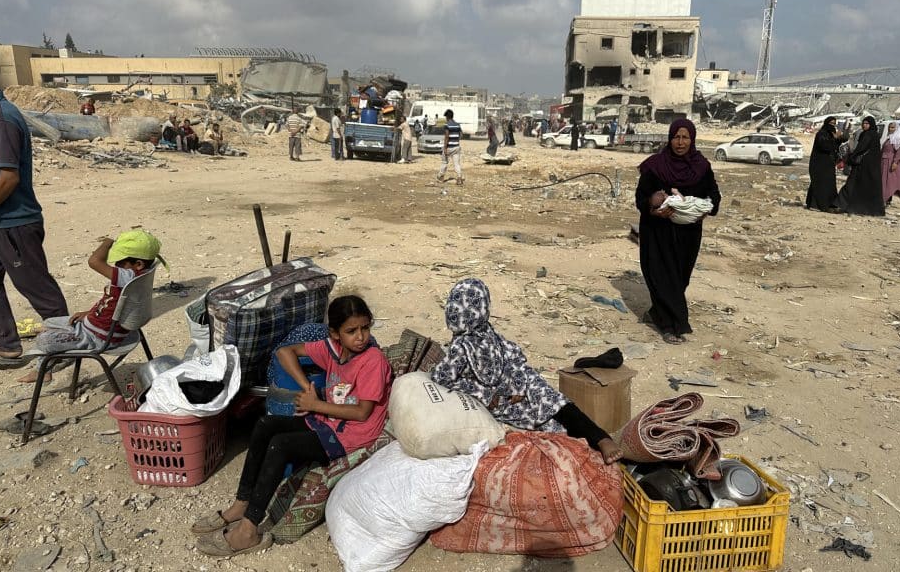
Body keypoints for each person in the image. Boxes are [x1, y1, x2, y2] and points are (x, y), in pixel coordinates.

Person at [191, 296, 391, 557]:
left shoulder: (372, 360)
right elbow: (284, 352)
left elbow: (363, 413)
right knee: (265, 424)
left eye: (365, 328)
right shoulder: (334, 350)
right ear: (336, 334)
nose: (361, 336)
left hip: (351, 435)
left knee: (281, 445)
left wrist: (316, 405)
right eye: (351, 331)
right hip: (327, 422)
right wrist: (308, 388)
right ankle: (241, 504)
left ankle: (249, 530)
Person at [432, 279, 623, 465]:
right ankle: (590, 444)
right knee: (548, 424)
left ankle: (601, 438)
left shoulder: (486, 331)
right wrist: (486, 394)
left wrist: (519, 384)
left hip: (516, 381)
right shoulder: (460, 348)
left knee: (552, 397)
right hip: (498, 398)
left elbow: (512, 354)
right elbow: (442, 378)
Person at [0, 46, 69, 371]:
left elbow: (8, 178)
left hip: (13, 221)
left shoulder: (2, 118)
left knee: (36, 286)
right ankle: (7, 346)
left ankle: (62, 350)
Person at [19, 231, 164, 383]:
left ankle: (44, 369)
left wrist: (108, 241)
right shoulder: (140, 274)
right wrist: (89, 313)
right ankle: (48, 364)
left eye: (120, 262)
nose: (116, 265)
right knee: (49, 322)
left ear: (138, 264)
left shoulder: (128, 276)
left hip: (98, 337)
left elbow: (94, 261)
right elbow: (112, 305)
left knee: (44, 341)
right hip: (101, 325)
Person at [635, 119, 721, 345]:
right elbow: (640, 198)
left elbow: (714, 194)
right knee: (661, 276)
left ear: (692, 139)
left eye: (685, 137)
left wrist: (706, 209)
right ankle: (671, 325)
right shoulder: (655, 166)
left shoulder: (701, 166)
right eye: (676, 137)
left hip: (688, 233)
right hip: (657, 232)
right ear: (669, 138)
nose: (680, 142)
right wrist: (652, 206)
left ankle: (657, 313)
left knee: (679, 278)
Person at [835, 116, 884, 216]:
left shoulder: (869, 135)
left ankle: (844, 205)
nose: (864, 125)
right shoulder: (872, 134)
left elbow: (861, 148)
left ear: (871, 125)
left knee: (852, 184)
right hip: (870, 167)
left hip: (863, 166)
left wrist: (850, 158)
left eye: (867, 124)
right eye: (863, 123)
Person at [805, 116, 845, 212]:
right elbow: (825, 147)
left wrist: (839, 138)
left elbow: (834, 146)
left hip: (828, 163)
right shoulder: (821, 133)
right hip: (819, 163)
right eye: (831, 123)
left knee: (828, 183)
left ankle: (827, 204)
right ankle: (816, 205)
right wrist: (835, 139)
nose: (832, 126)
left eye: (834, 124)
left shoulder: (831, 134)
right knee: (819, 183)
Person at [880, 121, 900, 205]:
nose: (890, 129)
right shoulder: (889, 138)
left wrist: (895, 162)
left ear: (896, 128)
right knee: (885, 181)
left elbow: (898, 152)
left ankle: (885, 199)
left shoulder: (896, 139)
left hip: (890, 162)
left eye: (892, 127)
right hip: (884, 162)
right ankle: (886, 199)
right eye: (889, 127)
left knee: (889, 181)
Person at [438, 109, 463, 185]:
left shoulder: (447, 125)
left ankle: (441, 177)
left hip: (449, 147)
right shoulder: (458, 124)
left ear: (448, 117)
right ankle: (459, 178)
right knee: (457, 164)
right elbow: (461, 135)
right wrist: (456, 140)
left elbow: (446, 136)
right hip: (456, 147)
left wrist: (445, 148)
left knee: (444, 162)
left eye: (446, 116)